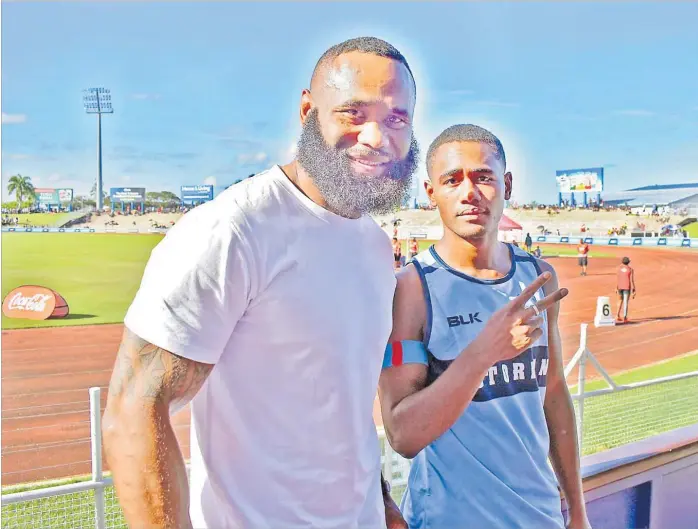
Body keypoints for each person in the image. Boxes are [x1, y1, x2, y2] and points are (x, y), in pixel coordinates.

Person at [102, 36, 421, 529]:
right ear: (308, 110)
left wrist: (382, 505)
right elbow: (133, 407)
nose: (377, 137)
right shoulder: (234, 231)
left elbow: (344, 406)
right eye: (354, 113)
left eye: (396, 118)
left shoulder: (376, 248)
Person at [378, 124, 590, 529]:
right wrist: (485, 352)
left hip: (540, 518)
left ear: (507, 184)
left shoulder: (538, 277)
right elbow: (402, 436)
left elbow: (554, 395)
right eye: (452, 180)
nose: (469, 192)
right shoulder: (411, 290)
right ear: (430, 193)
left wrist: (577, 509)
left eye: (484, 177)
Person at [616, 256, 636, 323]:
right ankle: (625, 317)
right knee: (625, 302)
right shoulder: (630, 269)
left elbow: (618, 278)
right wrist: (634, 289)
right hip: (627, 287)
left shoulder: (618, 269)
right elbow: (631, 280)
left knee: (619, 301)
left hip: (620, 286)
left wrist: (616, 287)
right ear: (628, 262)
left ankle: (617, 315)